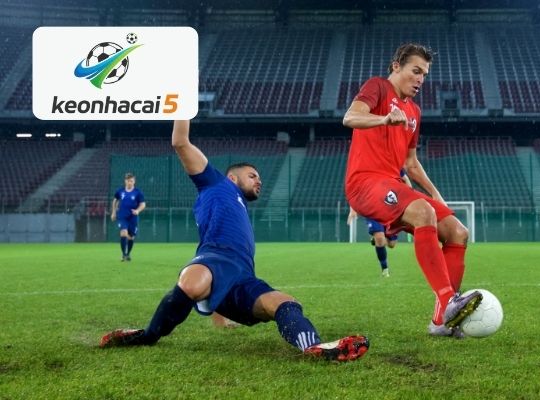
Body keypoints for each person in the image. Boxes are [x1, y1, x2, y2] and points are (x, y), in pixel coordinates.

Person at [99, 120, 369, 362]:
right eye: (252, 175)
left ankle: (314, 347)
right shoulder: (214, 183)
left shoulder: (239, 205)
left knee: (286, 302)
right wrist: (181, 104)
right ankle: (149, 335)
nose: (259, 181)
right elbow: (180, 142)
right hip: (214, 258)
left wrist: (218, 314)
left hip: (243, 277)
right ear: (232, 177)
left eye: (259, 178)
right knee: (192, 282)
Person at [342, 43, 481, 338]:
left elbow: (411, 163)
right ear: (396, 66)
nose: (420, 79)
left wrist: (435, 193)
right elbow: (350, 117)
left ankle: (441, 322)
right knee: (422, 212)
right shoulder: (378, 87)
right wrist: (383, 118)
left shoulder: (414, 111)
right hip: (364, 182)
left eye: (424, 75)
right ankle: (449, 301)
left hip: (392, 184)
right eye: (416, 71)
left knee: (457, 232)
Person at [346, 171, 412, 278]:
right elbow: (355, 188)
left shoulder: (393, 166)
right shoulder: (366, 168)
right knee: (380, 239)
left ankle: (377, 239)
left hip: (390, 208)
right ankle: (385, 269)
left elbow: (405, 179)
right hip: (372, 207)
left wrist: (409, 197)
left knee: (391, 244)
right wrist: (353, 209)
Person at [111, 172, 146, 262]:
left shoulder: (138, 192)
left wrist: (137, 210)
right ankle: (123, 255)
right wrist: (114, 212)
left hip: (133, 217)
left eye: (131, 181)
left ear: (134, 181)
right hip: (122, 216)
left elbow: (143, 204)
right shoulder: (120, 191)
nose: (129, 182)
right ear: (125, 181)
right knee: (123, 233)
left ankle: (128, 253)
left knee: (131, 237)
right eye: (128, 180)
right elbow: (115, 200)